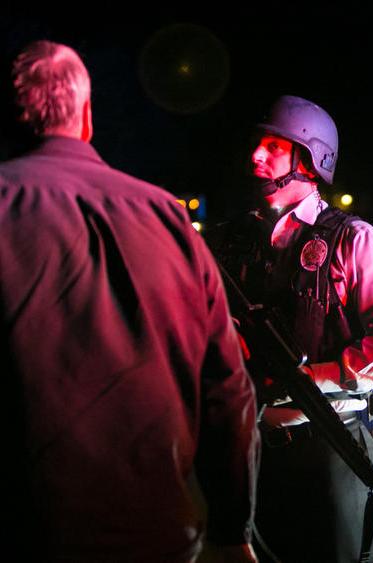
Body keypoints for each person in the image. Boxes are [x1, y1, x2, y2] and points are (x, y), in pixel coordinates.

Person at [0, 40, 260, 562]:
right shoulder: (166, 217)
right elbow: (228, 390)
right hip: (156, 535)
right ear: (86, 117)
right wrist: (233, 530)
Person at [213, 95, 373, 563]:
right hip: (245, 451)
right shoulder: (229, 242)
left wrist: (317, 376)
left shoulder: (354, 240)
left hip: (328, 447)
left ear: (310, 161)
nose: (256, 155)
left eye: (274, 146)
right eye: (258, 143)